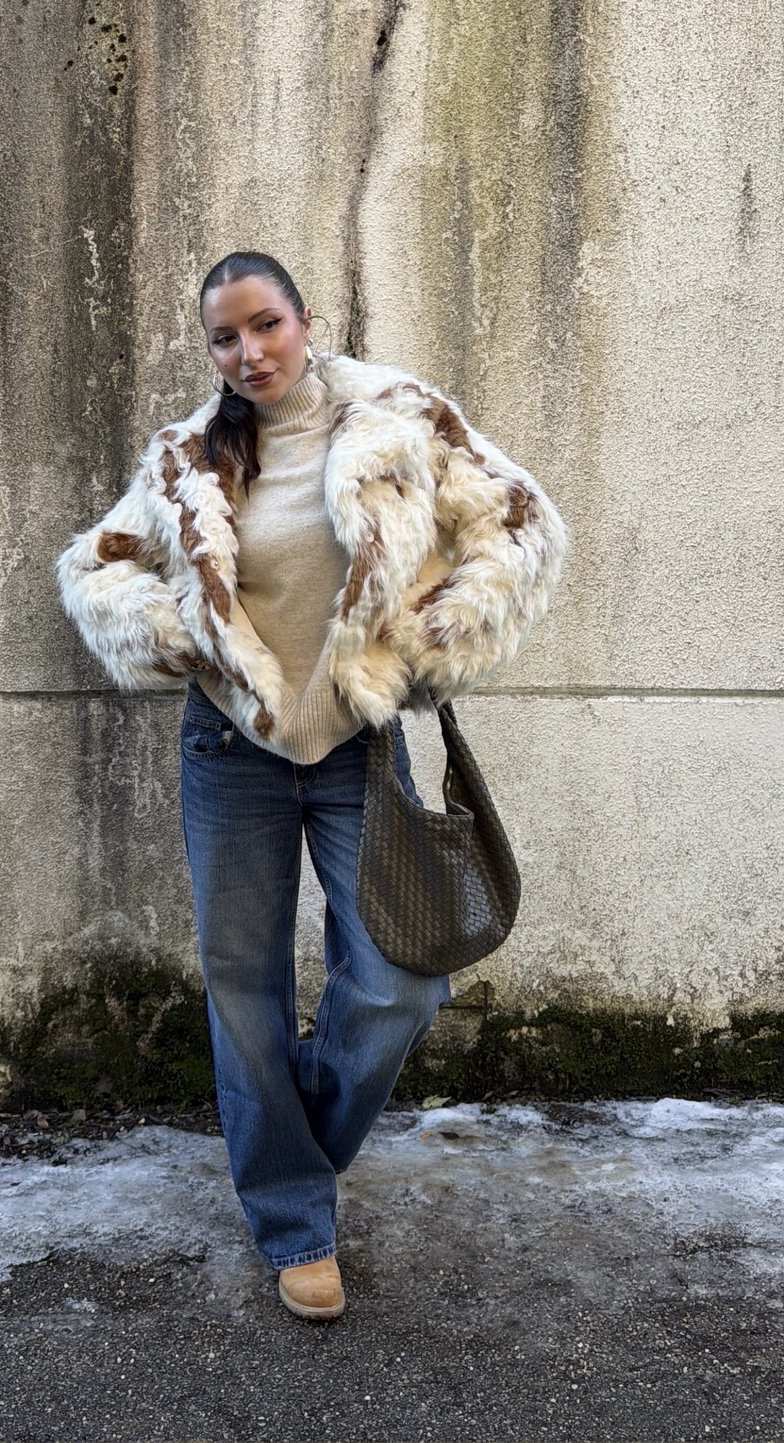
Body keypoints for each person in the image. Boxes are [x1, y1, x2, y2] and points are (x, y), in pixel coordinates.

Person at [56, 250, 567, 1321]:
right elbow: (93, 564)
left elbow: (520, 524)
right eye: (224, 338)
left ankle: (284, 1140)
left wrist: (437, 639)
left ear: (301, 319)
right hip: (228, 755)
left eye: (265, 326)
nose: (248, 353)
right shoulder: (187, 457)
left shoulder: (397, 420)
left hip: (357, 750)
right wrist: (168, 636)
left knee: (397, 980)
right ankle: (292, 1217)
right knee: (243, 990)